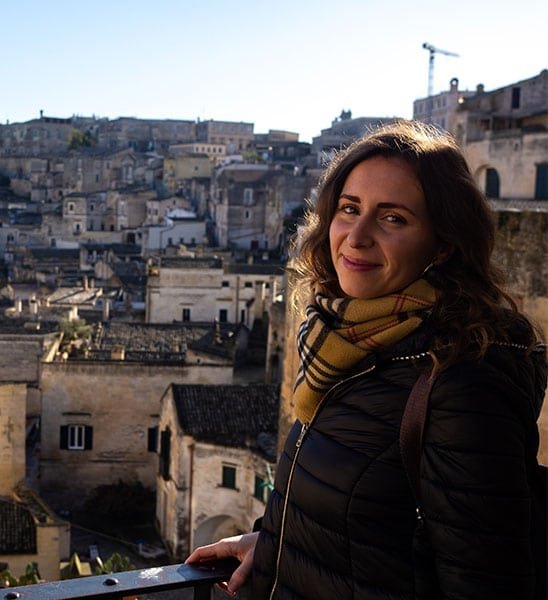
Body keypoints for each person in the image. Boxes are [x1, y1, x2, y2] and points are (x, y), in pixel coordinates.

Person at [186, 120, 547, 599]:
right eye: (348, 208)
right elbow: (369, 518)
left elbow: (486, 583)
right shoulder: (346, 342)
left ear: (442, 243)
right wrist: (281, 541)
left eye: (392, 218)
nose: (356, 236)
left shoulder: (463, 382)